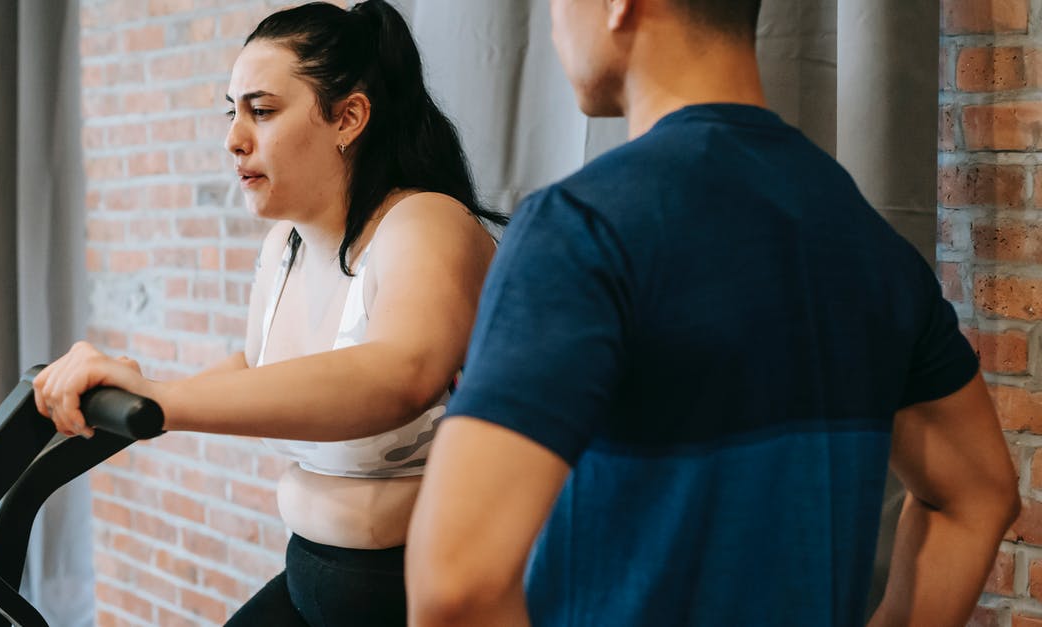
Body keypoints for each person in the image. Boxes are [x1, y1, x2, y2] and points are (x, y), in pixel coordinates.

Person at [405, 0, 1020, 626]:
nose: (556, 21)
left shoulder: (584, 230)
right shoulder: (865, 240)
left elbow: (456, 586)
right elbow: (979, 495)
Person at [33, 2, 503, 625]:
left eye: (262, 109)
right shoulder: (284, 247)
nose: (233, 137)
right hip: (313, 576)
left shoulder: (426, 222)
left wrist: (166, 399)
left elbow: (398, 375)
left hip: (419, 595)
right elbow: (256, 367)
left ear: (349, 118)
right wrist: (139, 399)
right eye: (232, 112)